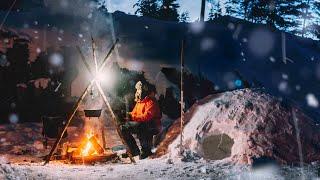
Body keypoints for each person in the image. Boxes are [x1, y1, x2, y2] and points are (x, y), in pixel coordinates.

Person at [120, 81, 162, 159]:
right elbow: (134, 113)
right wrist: (128, 114)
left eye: (139, 90)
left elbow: (147, 116)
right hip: (143, 123)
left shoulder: (151, 101)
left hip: (154, 125)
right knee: (123, 128)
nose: (137, 92)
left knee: (141, 126)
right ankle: (133, 150)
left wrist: (134, 117)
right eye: (137, 90)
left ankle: (146, 150)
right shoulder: (139, 102)